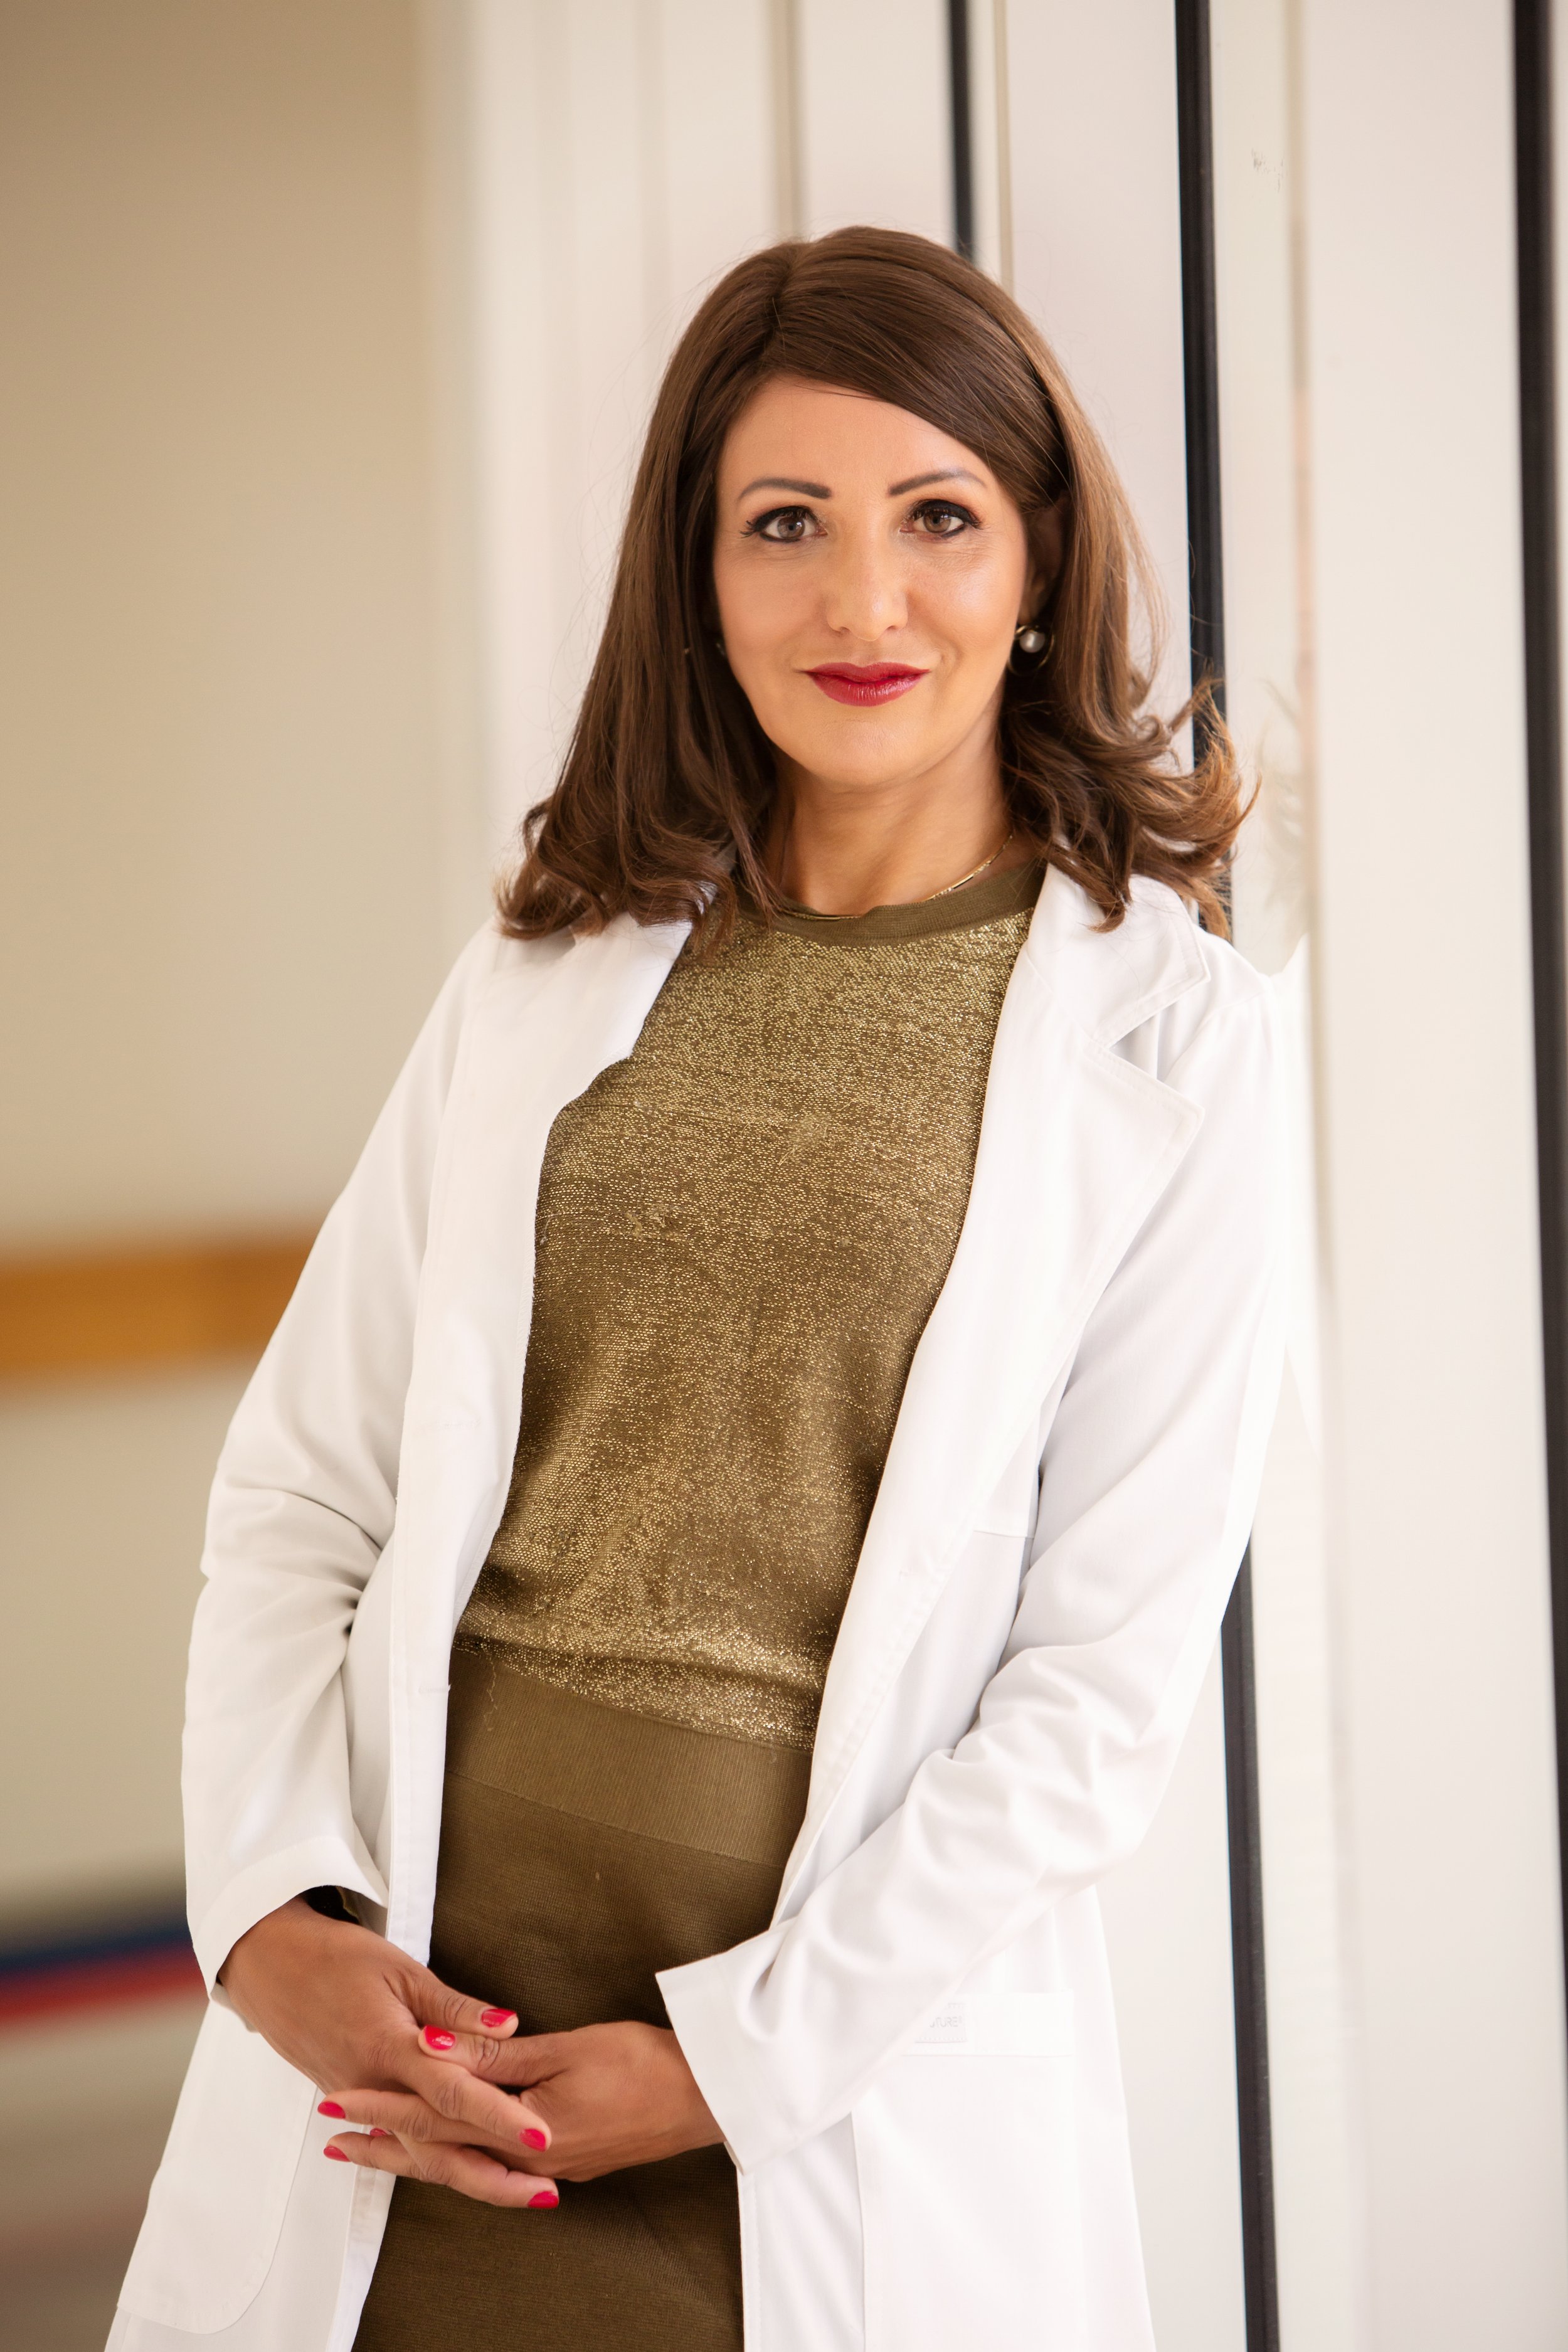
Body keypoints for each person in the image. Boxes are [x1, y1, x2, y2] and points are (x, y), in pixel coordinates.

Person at [109, 226, 1283, 2352]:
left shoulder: (1170, 1045)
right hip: (402, 2045)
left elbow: (1092, 1692)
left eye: (936, 517)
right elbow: (303, 1499)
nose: (862, 601)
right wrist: (270, 1912)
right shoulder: (546, 977)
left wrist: (730, 2060)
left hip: (814, 2096)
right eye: (783, 527)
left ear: (1037, 562)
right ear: (696, 573)